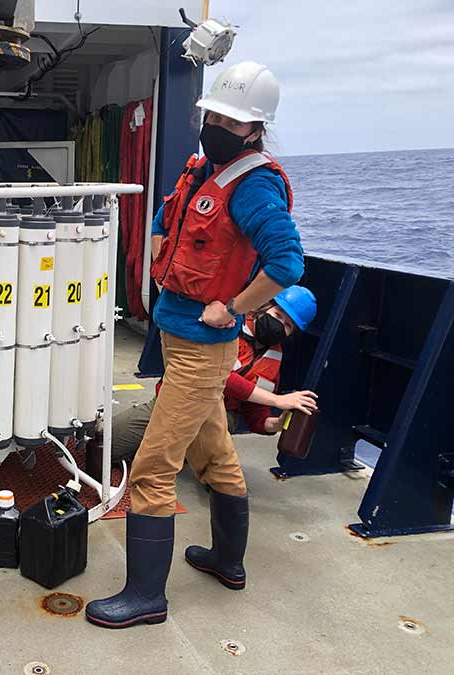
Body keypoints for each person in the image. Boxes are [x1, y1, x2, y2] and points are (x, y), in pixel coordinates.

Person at [86, 61, 305, 629]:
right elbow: (167, 217)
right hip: (178, 335)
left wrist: (233, 305)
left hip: (204, 347)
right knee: (215, 454)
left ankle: (145, 597)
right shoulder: (202, 167)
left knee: (154, 467)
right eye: (213, 113)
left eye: (230, 119)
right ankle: (228, 563)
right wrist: (161, 251)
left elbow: (286, 263)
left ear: (254, 129)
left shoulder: (254, 184)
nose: (215, 124)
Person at [84, 285, 319, 478]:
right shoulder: (228, 324)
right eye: (278, 315)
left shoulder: (273, 361)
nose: (281, 326)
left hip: (217, 416)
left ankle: (189, 453)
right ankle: (181, 449)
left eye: (288, 326)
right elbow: (220, 376)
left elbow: (255, 414)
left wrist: (276, 424)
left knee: (202, 473)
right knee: (104, 448)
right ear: (263, 307)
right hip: (175, 401)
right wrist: (278, 399)